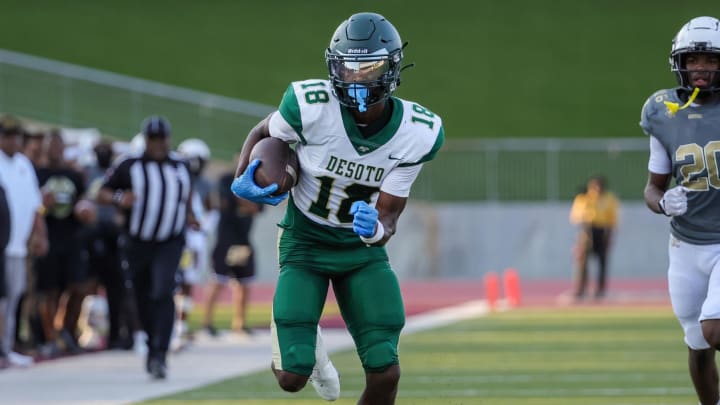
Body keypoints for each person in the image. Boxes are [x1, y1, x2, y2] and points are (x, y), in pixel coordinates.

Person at [230, 12, 444, 404]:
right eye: (349, 65)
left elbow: (390, 215)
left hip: (359, 252)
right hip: (305, 242)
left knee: (386, 369)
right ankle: (311, 348)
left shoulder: (418, 132)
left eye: (370, 67)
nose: (357, 78)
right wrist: (243, 173)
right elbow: (265, 131)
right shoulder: (310, 105)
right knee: (290, 376)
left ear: (392, 66)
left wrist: (375, 229)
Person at [640, 16, 720, 405]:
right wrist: (662, 203)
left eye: (710, 60)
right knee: (696, 340)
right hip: (686, 244)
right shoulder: (663, 111)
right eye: (693, 60)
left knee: (714, 329)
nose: (701, 68)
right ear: (680, 63)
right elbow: (653, 188)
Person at [97, 115, 196, 380]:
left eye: (162, 138)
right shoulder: (129, 165)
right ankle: (152, 342)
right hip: (137, 241)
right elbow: (102, 192)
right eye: (153, 139)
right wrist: (120, 198)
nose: (158, 144)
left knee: (163, 290)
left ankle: (159, 353)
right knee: (141, 295)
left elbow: (185, 195)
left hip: (170, 240)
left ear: (168, 139)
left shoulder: (181, 165)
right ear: (146, 140)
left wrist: (190, 216)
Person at [34, 130, 95, 357]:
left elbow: (85, 202)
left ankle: (67, 330)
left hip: (72, 239)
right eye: (51, 145)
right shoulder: (36, 174)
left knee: (79, 287)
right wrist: (43, 206)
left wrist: (85, 210)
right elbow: (33, 208)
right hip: (48, 238)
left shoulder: (74, 175)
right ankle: (51, 338)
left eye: (58, 145)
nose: (54, 149)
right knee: (48, 291)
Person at [0, 116, 48, 368]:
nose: (12, 140)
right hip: (0, 243)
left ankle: (6, 347)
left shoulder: (23, 164)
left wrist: (40, 234)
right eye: (7, 135)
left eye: (15, 136)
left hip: (18, 243)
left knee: (15, 295)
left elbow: (34, 204)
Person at [202, 153, 262, 338]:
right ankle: (207, 323)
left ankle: (239, 324)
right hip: (226, 241)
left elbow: (257, 208)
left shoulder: (258, 182)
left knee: (243, 285)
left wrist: (244, 202)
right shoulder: (226, 180)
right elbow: (230, 201)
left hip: (243, 241)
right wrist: (247, 201)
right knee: (217, 282)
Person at [568, 175, 619, 300]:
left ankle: (600, 290)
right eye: (593, 186)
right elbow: (575, 216)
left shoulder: (609, 199)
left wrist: (610, 236)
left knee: (602, 262)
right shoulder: (583, 198)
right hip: (586, 231)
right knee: (582, 262)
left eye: (598, 186)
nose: (596, 189)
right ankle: (580, 289)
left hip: (602, 231)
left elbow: (613, 218)